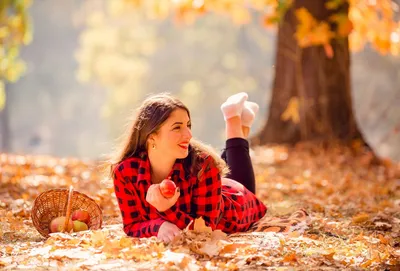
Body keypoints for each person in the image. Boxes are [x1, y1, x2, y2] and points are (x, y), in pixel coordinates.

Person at [111, 92, 267, 243]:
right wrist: (158, 226)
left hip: (234, 206)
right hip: (212, 186)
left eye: (188, 125)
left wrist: (167, 210)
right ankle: (242, 122)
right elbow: (131, 225)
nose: (189, 134)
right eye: (177, 127)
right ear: (152, 137)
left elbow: (205, 230)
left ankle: (233, 119)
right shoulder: (125, 172)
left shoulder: (203, 164)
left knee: (243, 184)